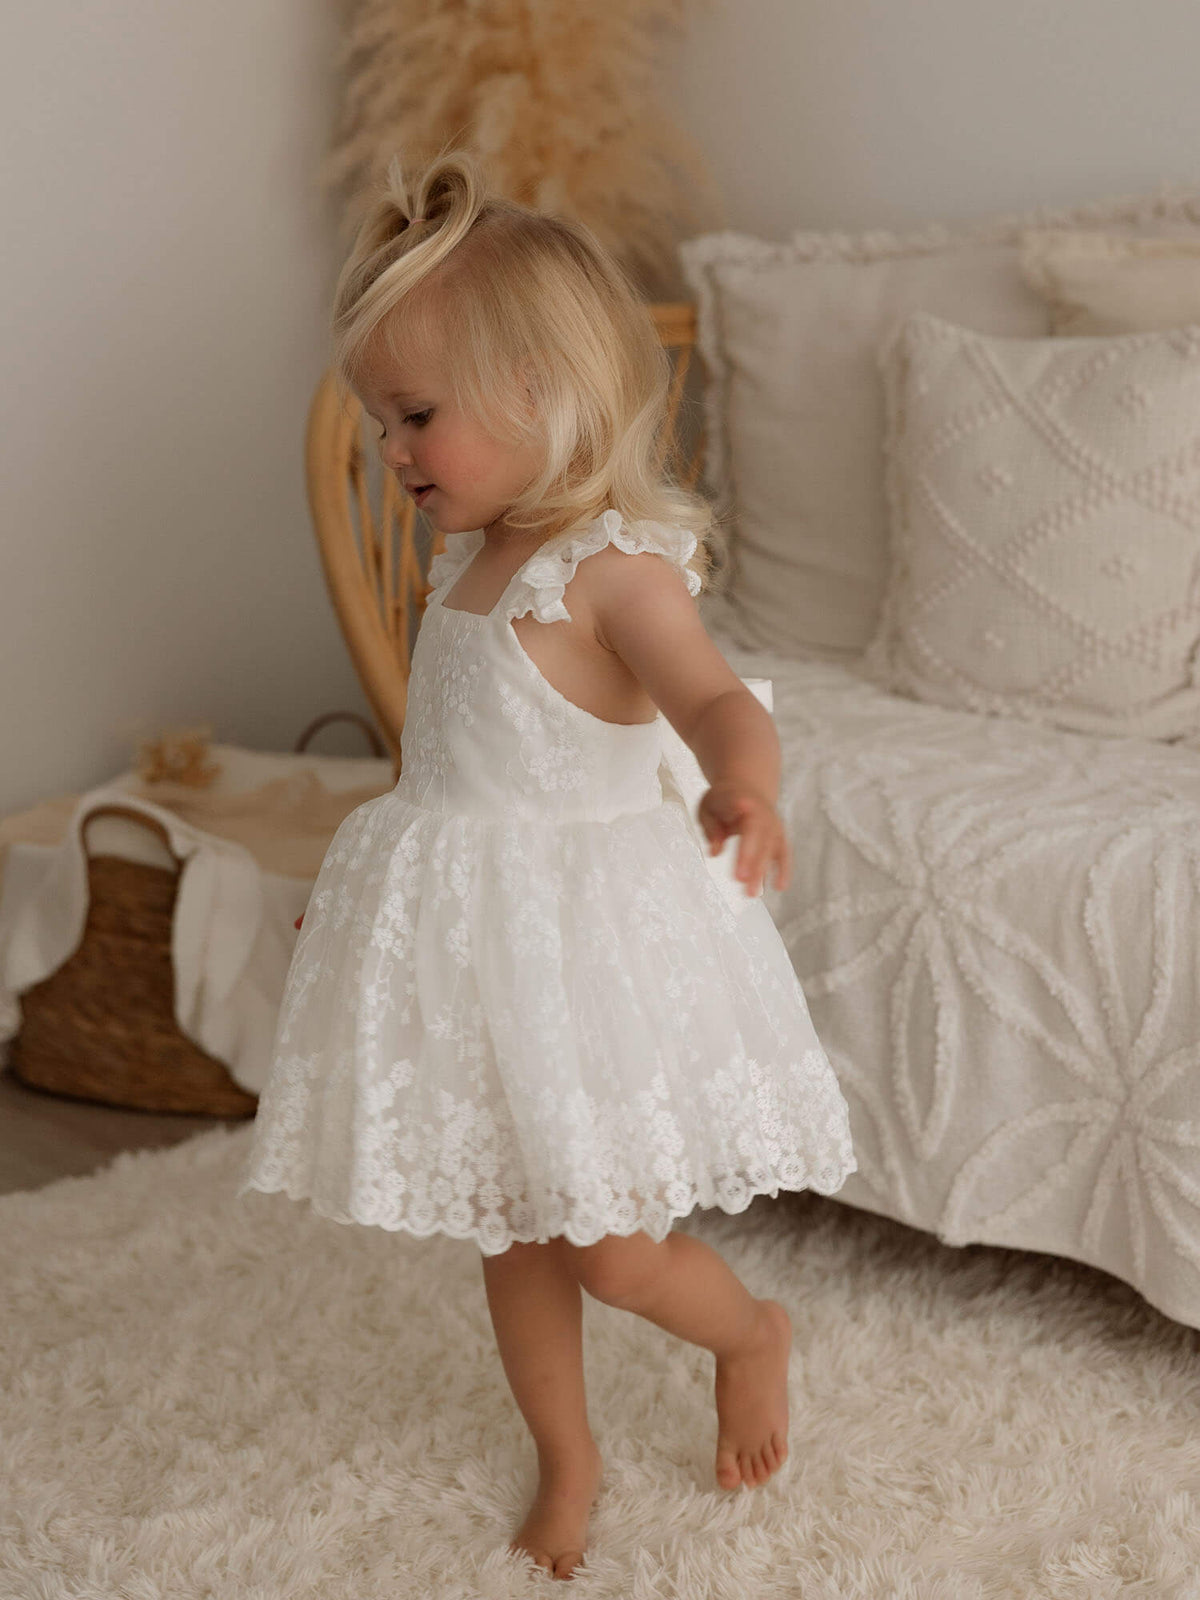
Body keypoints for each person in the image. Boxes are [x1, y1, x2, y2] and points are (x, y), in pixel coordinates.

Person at [239, 147, 856, 1582]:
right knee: (508, 1229)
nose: (393, 453)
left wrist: (745, 789)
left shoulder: (610, 571)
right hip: (477, 951)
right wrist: (363, 911)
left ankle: (752, 1331)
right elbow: (446, 774)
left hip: (580, 952)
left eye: (414, 417)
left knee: (612, 1249)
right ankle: (567, 1459)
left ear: (537, 390)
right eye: (381, 419)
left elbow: (708, 698)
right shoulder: (461, 566)